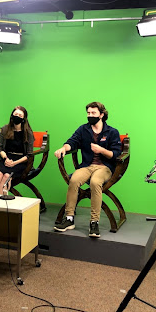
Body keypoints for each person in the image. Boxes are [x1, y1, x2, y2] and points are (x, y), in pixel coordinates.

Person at [53, 101, 122, 238]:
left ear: (101, 115)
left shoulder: (112, 132)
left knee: (95, 182)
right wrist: (63, 148)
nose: (90, 115)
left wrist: (101, 150)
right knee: (74, 180)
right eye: (88, 113)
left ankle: (94, 222)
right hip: (87, 166)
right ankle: (69, 219)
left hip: (104, 167)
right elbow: (72, 142)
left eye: (93, 113)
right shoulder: (83, 129)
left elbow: (115, 154)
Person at [0, 106, 34, 195]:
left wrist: (14, 163)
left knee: (7, 176)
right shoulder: (5, 129)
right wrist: (6, 159)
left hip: (20, 161)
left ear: (24, 118)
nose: (17, 116)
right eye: (15, 114)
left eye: (20, 115)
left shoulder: (28, 133)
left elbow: (29, 155)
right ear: (12, 116)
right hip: (6, 158)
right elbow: (1, 148)